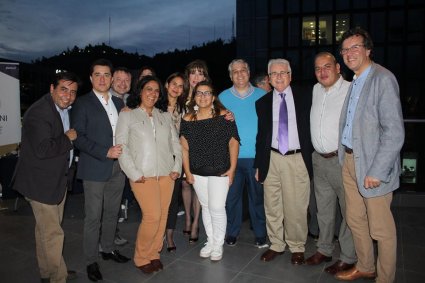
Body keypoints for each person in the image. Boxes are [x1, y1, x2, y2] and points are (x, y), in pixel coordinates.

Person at [335, 28, 404, 283]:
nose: (349, 53)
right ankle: (365, 266)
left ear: (367, 50)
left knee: (381, 229)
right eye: (345, 49)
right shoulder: (355, 81)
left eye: (355, 47)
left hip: (373, 167)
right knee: (355, 220)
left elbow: (394, 132)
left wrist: (377, 170)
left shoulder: (382, 79)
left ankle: (385, 278)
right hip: (351, 161)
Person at [13, 72, 80, 283]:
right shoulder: (38, 113)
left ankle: (48, 271)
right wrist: (68, 139)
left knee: (45, 230)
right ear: (52, 88)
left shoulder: (62, 109)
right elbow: (43, 149)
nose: (68, 96)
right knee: (53, 234)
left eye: (73, 92)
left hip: (55, 180)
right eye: (63, 89)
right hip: (40, 183)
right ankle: (58, 277)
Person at [116, 75, 182, 274]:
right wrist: (133, 172)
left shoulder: (165, 116)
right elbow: (122, 146)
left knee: (162, 217)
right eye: (148, 89)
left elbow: (176, 145)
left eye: (156, 90)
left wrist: (176, 167)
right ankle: (141, 256)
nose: (152, 94)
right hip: (142, 174)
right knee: (152, 216)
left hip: (166, 174)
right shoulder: (127, 115)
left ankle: (154, 254)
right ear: (140, 91)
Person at [72, 59, 130, 282]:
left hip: (119, 167)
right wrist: (104, 152)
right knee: (93, 217)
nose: (103, 79)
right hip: (96, 166)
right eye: (98, 75)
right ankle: (91, 261)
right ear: (91, 78)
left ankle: (107, 249)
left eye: (107, 75)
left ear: (112, 78)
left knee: (112, 213)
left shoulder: (118, 103)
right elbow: (78, 137)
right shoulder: (83, 103)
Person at [254, 58, 313, 265]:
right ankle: (277, 244)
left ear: (290, 75)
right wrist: (259, 165)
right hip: (271, 159)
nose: (279, 77)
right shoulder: (262, 103)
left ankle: (297, 246)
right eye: (274, 74)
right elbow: (261, 136)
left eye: (283, 73)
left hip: (297, 159)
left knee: (296, 206)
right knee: (272, 205)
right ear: (269, 79)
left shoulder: (306, 96)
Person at [305, 52, 357, 275]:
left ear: (337, 67)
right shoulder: (316, 90)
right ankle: (324, 249)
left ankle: (348, 256)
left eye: (327, 67)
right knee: (323, 210)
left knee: (349, 212)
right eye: (318, 69)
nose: (322, 72)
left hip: (341, 160)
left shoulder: (350, 90)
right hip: (319, 159)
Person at [180, 81, 240, 261]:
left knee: (216, 207)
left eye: (207, 93)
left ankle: (218, 244)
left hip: (220, 169)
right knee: (206, 207)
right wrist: (188, 172)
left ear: (213, 97)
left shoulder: (225, 117)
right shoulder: (187, 119)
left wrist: (232, 169)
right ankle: (211, 241)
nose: (203, 96)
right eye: (199, 93)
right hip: (197, 171)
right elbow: (184, 147)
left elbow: (234, 142)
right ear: (194, 97)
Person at [219, 59, 267, 248]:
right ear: (230, 76)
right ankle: (232, 232)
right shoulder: (222, 97)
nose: (239, 74)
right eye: (235, 71)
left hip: (256, 156)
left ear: (249, 72)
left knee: (257, 197)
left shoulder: (262, 95)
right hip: (231, 158)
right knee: (232, 199)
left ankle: (261, 233)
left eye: (243, 70)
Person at [181, 59, 211, 243]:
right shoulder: (180, 95)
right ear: (188, 76)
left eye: (200, 73)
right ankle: (187, 217)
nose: (196, 76)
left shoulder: (207, 97)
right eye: (193, 72)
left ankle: (195, 224)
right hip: (182, 147)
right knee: (185, 184)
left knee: (198, 186)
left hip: (201, 149)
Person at [159, 72, 187, 252]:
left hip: (177, 159)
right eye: (174, 84)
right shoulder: (156, 106)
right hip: (159, 157)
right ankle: (157, 234)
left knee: (173, 200)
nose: (177, 88)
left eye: (180, 86)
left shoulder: (183, 109)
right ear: (167, 85)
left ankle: (169, 235)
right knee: (159, 199)